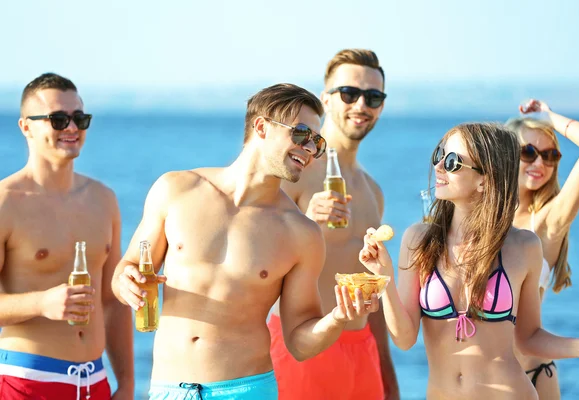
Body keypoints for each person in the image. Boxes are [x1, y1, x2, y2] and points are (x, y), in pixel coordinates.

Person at [112, 83, 379, 400]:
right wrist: (125, 281)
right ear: (262, 127)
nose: (309, 147)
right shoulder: (175, 190)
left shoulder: (300, 233)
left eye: (317, 142)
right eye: (301, 133)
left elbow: (299, 342)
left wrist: (336, 318)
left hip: (245, 391)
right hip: (168, 390)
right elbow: (126, 269)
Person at [358, 122, 579, 399]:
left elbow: (528, 336)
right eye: (439, 156)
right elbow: (404, 338)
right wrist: (384, 276)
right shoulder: (418, 240)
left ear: (485, 179)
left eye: (452, 162)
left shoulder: (523, 246)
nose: (438, 167)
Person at [268, 49, 399, 400]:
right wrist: (306, 223)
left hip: (362, 352)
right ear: (326, 99)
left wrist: (388, 377)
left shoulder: (373, 192)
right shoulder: (294, 172)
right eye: (349, 93)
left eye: (373, 97)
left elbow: (374, 291)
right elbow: (256, 265)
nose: (361, 105)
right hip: (302, 347)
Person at [0, 73, 133, 400]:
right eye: (58, 119)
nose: (72, 128)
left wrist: (127, 384)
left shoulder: (103, 199)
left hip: (95, 382)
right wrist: (42, 302)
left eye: (79, 118)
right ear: (26, 127)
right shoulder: (6, 202)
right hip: (27, 384)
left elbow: (113, 302)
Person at [505, 99, 579, 398]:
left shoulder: (547, 222)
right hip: (475, 378)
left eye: (550, 155)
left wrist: (547, 116)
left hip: (531, 376)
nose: (539, 164)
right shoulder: (481, 218)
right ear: (504, 155)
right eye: (528, 152)